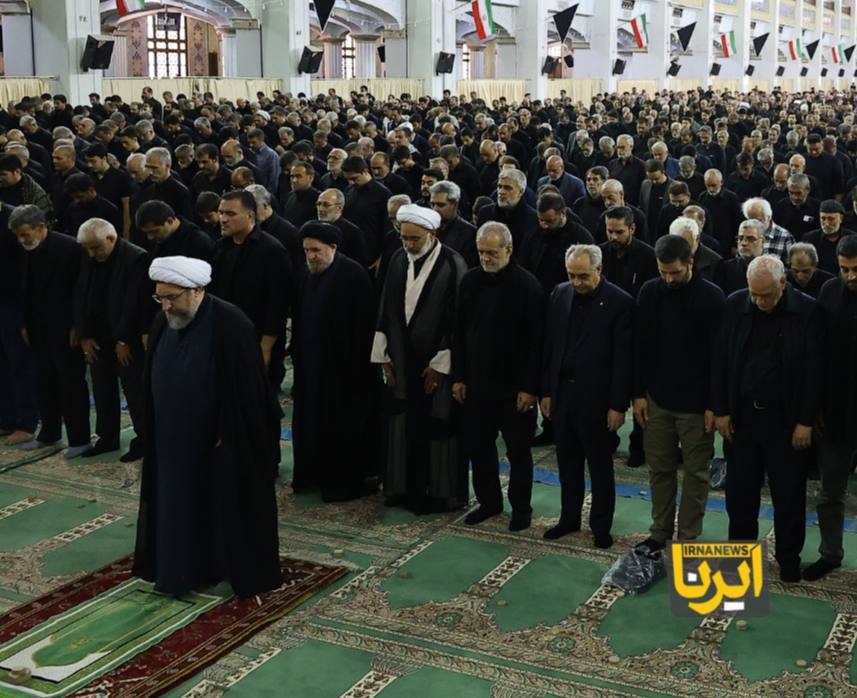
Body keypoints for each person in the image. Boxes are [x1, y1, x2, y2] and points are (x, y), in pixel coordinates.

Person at [133, 256, 282, 598]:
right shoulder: (164, 320)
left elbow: (249, 392)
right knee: (176, 504)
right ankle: (180, 571)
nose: (166, 306)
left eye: (172, 297)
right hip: (172, 438)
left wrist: (227, 431)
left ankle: (227, 569)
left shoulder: (230, 323)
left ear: (197, 290)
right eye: (160, 298)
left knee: (221, 506)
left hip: (218, 441)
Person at [712, 255, 823, 583]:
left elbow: (815, 372)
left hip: (786, 423)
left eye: (766, 295)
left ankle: (788, 560)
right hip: (743, 420)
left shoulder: (807, 311)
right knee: (740, 496)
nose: (759, 302)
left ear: (783, 283)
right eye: (754, 295)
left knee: (788, 497)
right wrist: (721, 410)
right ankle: (740, 559)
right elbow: (720, 359)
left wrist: (805, 421)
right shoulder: (735, 304)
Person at [371, 204, 468, 514]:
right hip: (401, 358)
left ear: (432, 234)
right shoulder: (398, 258)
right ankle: (401, 488)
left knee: (436, 425)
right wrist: (384, 355)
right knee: (400, 421)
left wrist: (441, 364)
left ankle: (438, 494)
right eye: (405, 238)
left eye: (415, 238)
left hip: (434, 364)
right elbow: (386, 305)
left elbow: (458, 320)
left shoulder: (453, 264)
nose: (409, 244)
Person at [634, 234, 725, 552]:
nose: (669, 279)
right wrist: (638, 394)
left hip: (697, 405)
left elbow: (719, 357)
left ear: (690, 263)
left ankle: (687, 537)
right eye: (663, 272)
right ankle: (659, 532)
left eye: (675, 272)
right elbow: (640, 347)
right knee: (659, 469)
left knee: (696, 474)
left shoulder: (712, 298)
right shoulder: (650, 291)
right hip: (657, 400)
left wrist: (714, 404)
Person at [452, 222, 543, 531]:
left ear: (509, 249)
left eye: (491, 252)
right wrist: (459, 377)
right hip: (477, 384)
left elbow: (536, 344)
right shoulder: (470, 281)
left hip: (515, 389)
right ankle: (489, 502)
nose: (485, 258)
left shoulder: (527, 286)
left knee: (518, 451)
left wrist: (530, 388)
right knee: (479, 448)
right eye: (481, 252)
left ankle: (521, 508)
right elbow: (459, 332)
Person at [540, 244, 633, 547]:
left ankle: (601, 526)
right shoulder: (560, 293)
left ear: (599, 270)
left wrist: (617, 405)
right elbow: (551, 346)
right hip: (563, 395)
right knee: (567, 462)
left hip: (597, 400)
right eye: (571, 275)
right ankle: (569, 518)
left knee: (600, 467)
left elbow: (622, 360)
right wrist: (546, 391)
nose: (576, 282)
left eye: (582, 276)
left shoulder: (620, 302)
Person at [291, 222, 378, 501]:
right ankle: (311, 476)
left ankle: (341, 484)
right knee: (310, 423)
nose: (311, 256)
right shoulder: (305, 274)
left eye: (316, 250)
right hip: (310, 366)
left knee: (341, 428)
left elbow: (364, 328)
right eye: (307, 251)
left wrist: (357, 371)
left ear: (333, 248)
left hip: (343, 370)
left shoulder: (353, 275)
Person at [13, 205, 91, 458]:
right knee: (43, 381)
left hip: (65, 329)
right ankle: (49, 434)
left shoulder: (70, 248)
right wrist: (24, 324)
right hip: (37, 327)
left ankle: (79, 439)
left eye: (25, 234)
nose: (21, 239)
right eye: (18, 235)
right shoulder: (27, 250)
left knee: (70, 384)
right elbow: (25, 289)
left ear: (40, 227)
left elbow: (81, 291)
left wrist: (78, 326)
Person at [804, 236, 857, 580]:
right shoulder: (829, 292)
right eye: (844, 269)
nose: (851, 276)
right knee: (830, 494)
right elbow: (816, 356)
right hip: (837, 413)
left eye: (856, 270)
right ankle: (830, 554)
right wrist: (814, 409)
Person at [74, 218, 149, 462]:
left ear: (111, 238)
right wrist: (84, 334)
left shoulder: (136, 258)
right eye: (88, 248)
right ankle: (107, 438)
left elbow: (134, 303)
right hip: (97, 337)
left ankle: (144, 441)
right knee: (102, 389)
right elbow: (80, 294)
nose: (91, 253)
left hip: (126, 339)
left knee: (135, 392)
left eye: (95, 247)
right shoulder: (90, 256)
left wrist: (124, 340)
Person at [210, 190, 292, 389]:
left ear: (250, 216)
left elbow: (278, 306)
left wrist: (266, 347)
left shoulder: (272, 251)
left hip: (257, 340)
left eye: (230, 214)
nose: (223, 219)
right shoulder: (221, 248)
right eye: (221, 213)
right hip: (225, 338)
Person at [476, 169, 537, 251]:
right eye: (499, 186)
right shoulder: (485, 213)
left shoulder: (532, 219)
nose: (501, 192)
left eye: (508, 188)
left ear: (521, 191)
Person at [429, 180, 479, 268]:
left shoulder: (470, 233)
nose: (435, 209)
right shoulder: (426, 228)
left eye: (441, 205)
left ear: (455, 205)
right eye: (432, 204)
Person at [800, 199, 856, 275]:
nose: (826, 223)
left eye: (831, 219)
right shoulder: (809, 238)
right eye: (823, 218)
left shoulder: (853, 239)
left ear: (841, 218)